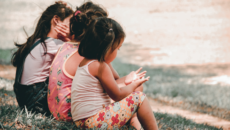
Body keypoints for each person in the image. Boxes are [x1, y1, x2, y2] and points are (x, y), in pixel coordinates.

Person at [71, 17, 158, 130]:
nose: (117, 52)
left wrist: (128, 80)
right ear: (107, 48)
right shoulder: (100, 67)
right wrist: (133, 85)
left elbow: (113, 84)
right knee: (139, 98)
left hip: (83, 122)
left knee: (135, 93)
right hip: (94, 122)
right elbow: (118, 95)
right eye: (118, 48)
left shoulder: (86, 62)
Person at [11, 1, 74, 116]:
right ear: (56, 20)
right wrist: (71, 39)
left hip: (26, 101)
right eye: (70, 23)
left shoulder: (38, 41)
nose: (72, 28)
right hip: (37, 105)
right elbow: (82, 54)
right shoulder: (54, 45)